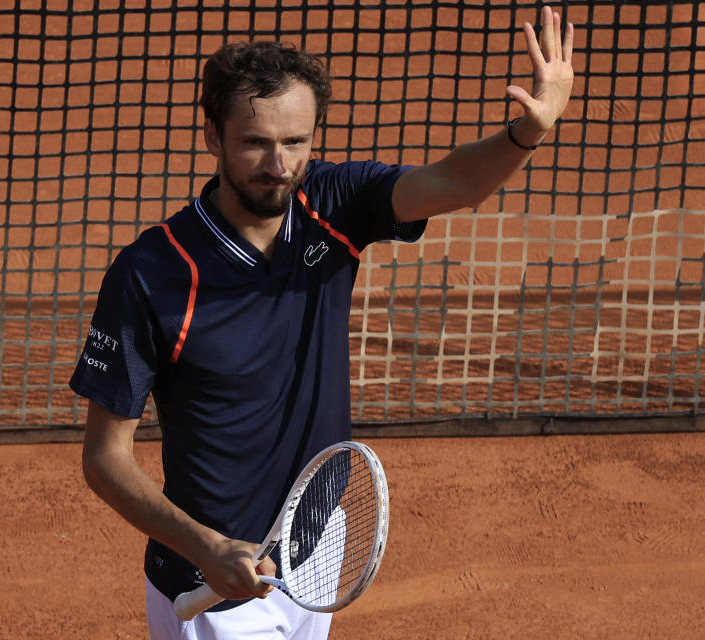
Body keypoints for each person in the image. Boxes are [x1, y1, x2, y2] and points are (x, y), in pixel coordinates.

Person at [70, 6, 573, 639]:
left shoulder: (334, 202)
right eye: (254, 142)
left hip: (317, 538)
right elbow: (103, 458)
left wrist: (525, 134)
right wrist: (207, 548)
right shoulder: (152, 273)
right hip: (216, 580)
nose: (277, 165)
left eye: (295, 142)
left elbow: (452, 183)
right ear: (212, 136)